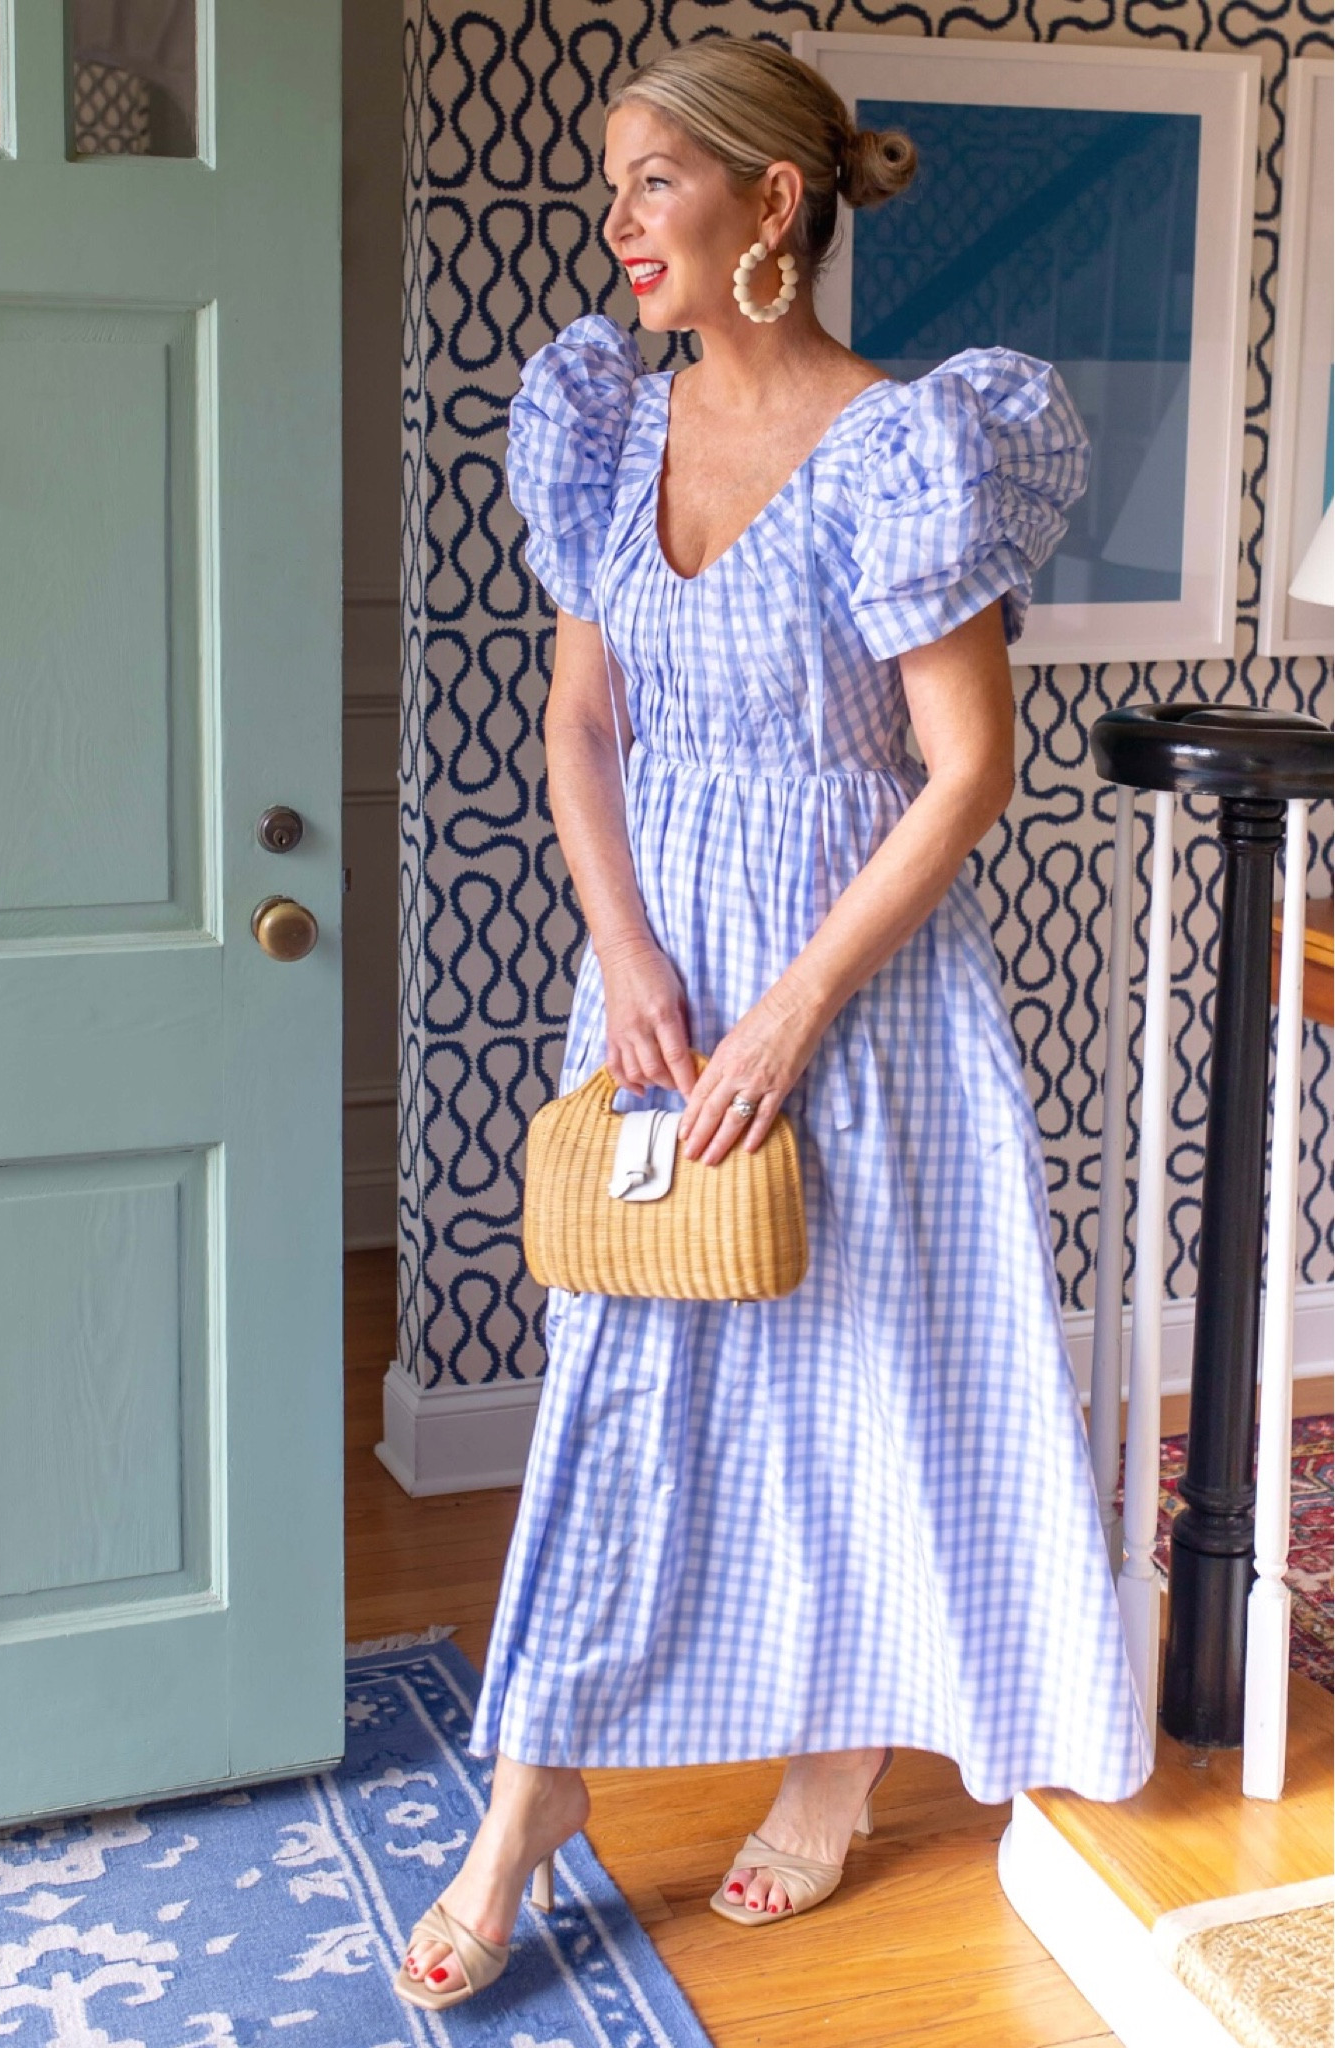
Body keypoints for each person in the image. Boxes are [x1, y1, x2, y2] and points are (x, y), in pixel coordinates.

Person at [395, 36, 1150, 2013]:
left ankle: (837, 1765)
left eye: (656, 180)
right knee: (618, 1398)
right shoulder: (603, 431)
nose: (619, 218)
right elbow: (581, 721)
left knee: (867, 1388)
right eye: (613, 182)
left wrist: (795, 1005)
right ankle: (530, 1798)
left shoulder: (905, 445)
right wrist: (629, 953)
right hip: (659, 994)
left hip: (859, 999)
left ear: (771, 204)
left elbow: (966, 765)